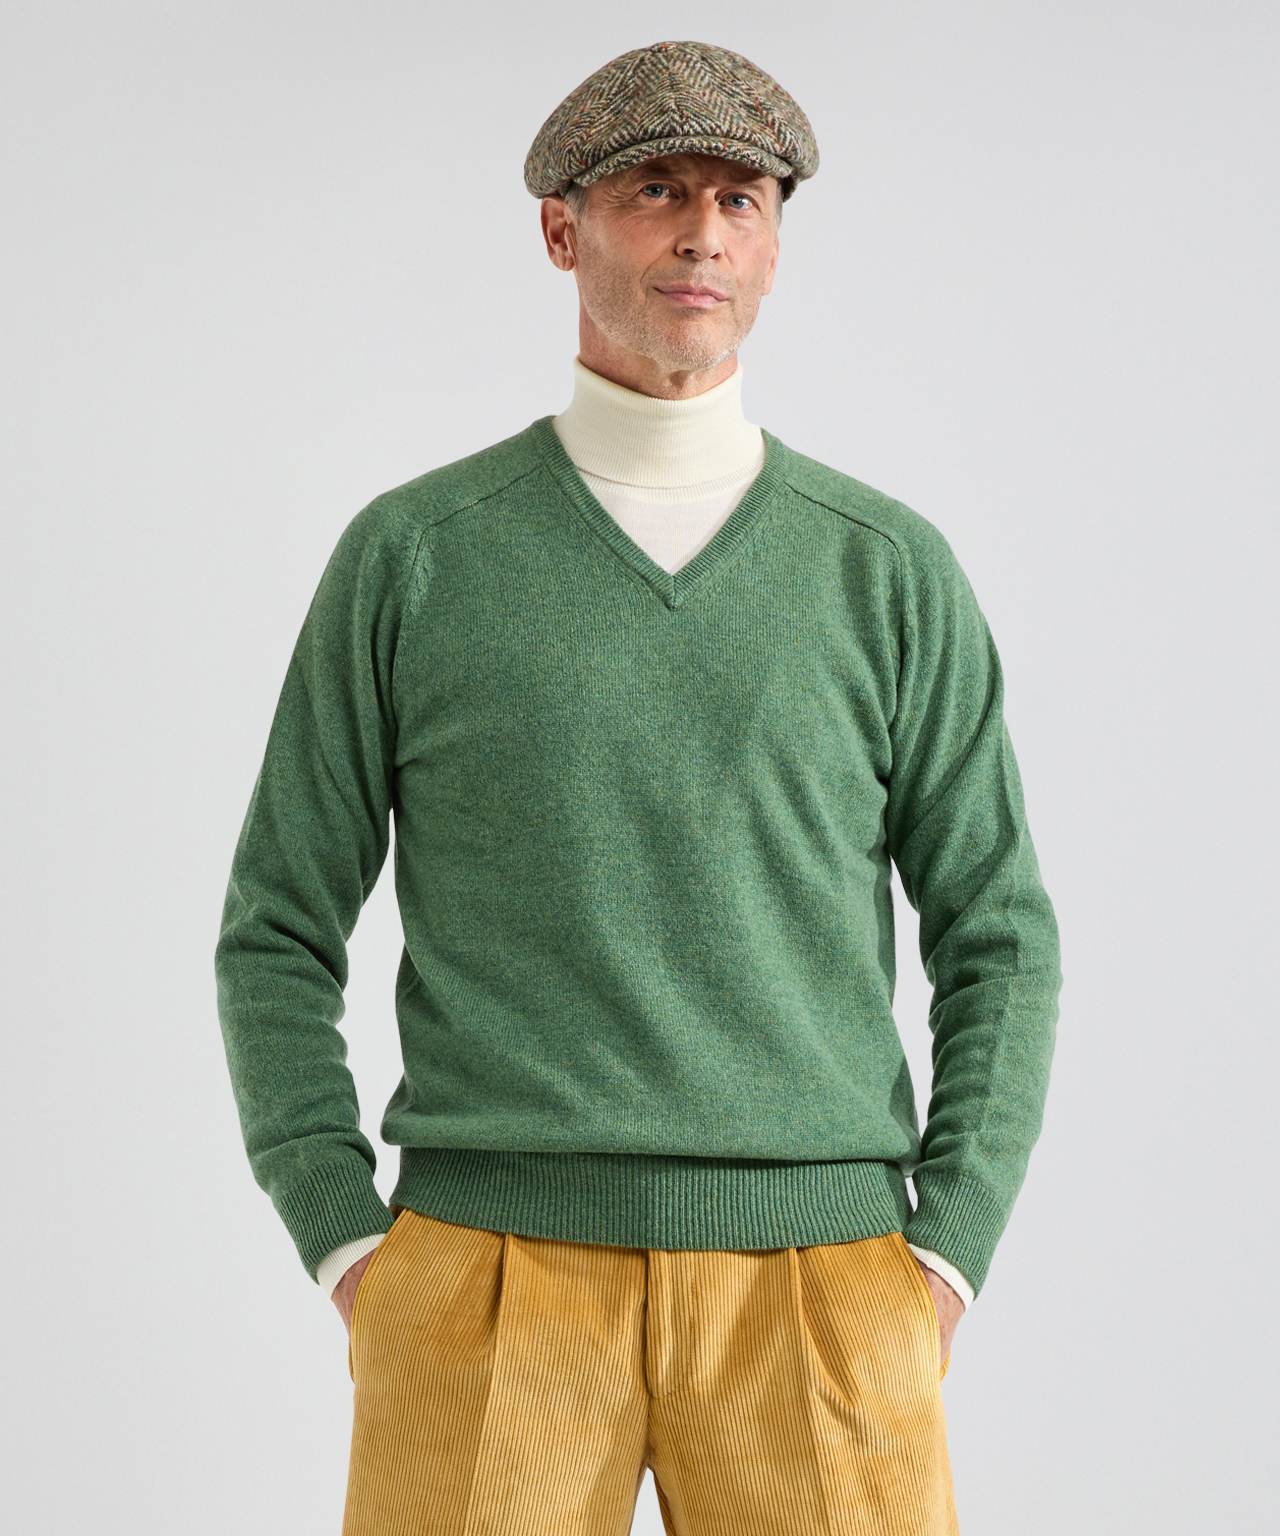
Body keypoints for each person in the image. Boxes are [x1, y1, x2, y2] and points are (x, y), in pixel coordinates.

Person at [214, 37, 1062, 1536]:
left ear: (776, 244)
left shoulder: (884, 571)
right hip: (486, 1274)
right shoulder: (417, 557)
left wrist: (948, 1253)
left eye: (741, 199)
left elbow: (1000, 933)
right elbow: (277, 924)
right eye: (655, 191)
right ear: (563, 230)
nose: (702, 235)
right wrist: (347, 1241)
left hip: (822, 1278)